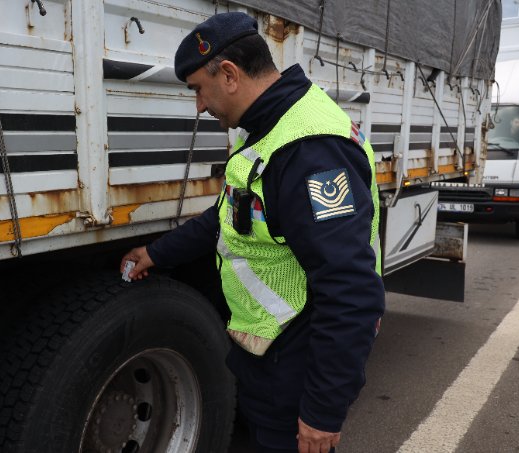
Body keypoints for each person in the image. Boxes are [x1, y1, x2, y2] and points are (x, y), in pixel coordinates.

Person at [120, 12, 384, 453]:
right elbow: (232, 216)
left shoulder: (310, 150)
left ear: (228, 74)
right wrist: (158, 252)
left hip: (294, 372)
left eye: (197, 90)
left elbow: (351, 290)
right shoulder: (271, 126)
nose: (199, 106)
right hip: (270, 363)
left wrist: (322, 411)